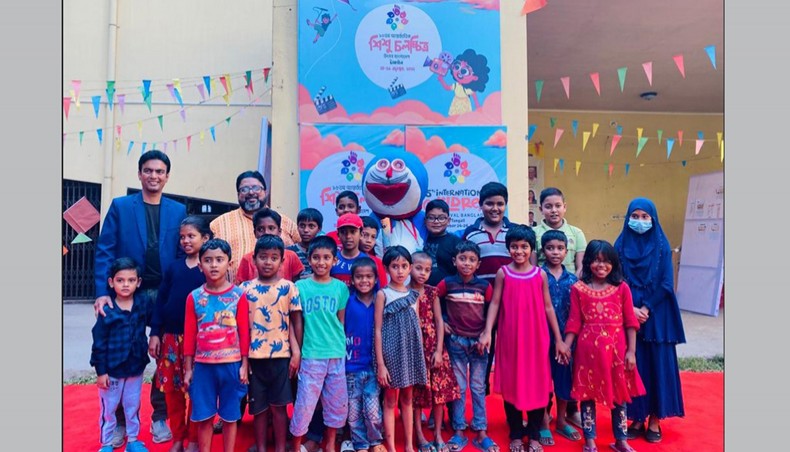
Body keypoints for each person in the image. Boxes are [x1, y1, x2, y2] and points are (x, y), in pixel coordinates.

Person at [94, 150, 185, 446]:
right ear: (139, 174)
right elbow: (105, 250)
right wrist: (101, 294)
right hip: (127, 292)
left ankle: (159, 416)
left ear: (167, 176)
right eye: (148, 170)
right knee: (123, 352)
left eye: (160, 171)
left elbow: (183, 253)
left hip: (166, 293)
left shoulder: (177, 209)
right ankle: (119, 421)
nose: (154, 176)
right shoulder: (121, 206)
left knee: (164, 354)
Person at [479, 226, 569, 452]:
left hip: (537, 338)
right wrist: (488, 330)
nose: (519, 251)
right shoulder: (503, 273)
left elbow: (548, 307)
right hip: (510, 338)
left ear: (532, 249)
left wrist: (558, 339)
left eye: (524, 247)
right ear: (508, 248)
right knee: (512, 383)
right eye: (514, 247)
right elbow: (496, 303)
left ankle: (535, 433)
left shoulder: (540, 275)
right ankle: (517, 433)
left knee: (538, 384)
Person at [562, 240, 645, 452]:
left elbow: (630, 322)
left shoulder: (622, 288)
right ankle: (590, 440)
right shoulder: (578, 288)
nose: (602, 266)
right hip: (586, 351)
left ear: (614, 264)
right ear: (588, 261)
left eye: (607, 261)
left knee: (619, 395)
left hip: (617, 352)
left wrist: (632, 351)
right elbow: (574, 321)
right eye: (597, 260)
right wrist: (565, 347)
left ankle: (621, 440)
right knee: (587, 395)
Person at [615, 198, 686, 444]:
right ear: (627, 218)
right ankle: (637, 417)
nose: (640, 221)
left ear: (653, 219)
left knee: (657, 366)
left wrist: (645, 308)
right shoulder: (620, 244)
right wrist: (631, 309)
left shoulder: (662, 246)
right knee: (636, 366)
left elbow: (666, 283)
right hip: (628, 312)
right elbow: (615, 278)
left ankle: (655, 418)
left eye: (646, 217)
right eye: (635, 216)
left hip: (658, 314)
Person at [148, 216, 213, 452]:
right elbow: (161, 301)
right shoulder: (174, 268)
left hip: (201, 342)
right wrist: (156, 333)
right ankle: (178, 437)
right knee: (173, 394)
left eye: (191, 236)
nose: (185, 241)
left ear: (205, 238)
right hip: (171, 340)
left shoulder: (209, 268)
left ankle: (195, 439)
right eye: (182, 237)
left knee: (198, 392)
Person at [183, 239, 251, 452]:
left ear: (229, 264)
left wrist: (244, 364)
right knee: (204, 417)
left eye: (219, 260)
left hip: (231, 365)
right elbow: (190, 335)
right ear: (200, 265)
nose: (214, 265)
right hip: (203, 366)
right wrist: (187, 368)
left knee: (230, 417)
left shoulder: (238, 295)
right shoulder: (194, 297)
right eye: (208, 260)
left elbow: (244, 331)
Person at [239, 235, 303, 452]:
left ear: (282, 261)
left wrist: (297, 353)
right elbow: (241, 327)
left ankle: (279, 448)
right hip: (255, 358)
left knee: (279, 407)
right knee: (258, 409)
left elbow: (295, 322)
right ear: (254, 260)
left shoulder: (289, 288)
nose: (268, 262)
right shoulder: (245, 289)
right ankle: (261, 446)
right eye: (263, 257)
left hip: (281, 357)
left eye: (274, 257)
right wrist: (243, 360)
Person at [290, 236, 350, 452]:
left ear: (334, 261)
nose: (321, 262)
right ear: (309, 259)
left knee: (336, 403)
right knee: (305, 404)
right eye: (316, 257)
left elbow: (340, 321)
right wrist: (296, 351)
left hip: (336, 353)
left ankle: (330, 445)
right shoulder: (300, 287)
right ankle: (296, 445)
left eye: (326, 258)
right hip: (311, 354)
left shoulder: (341, 289)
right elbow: (295, 322)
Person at [435, 241, 495, 452]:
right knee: (459, 388)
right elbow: (434, 301)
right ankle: (459, 430)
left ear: (478, 264)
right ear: (454, 261)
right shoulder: (446, 283)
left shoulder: (485, 287)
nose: (466, 264)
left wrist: (486, 334)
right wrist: (442, 321)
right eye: (462, 259)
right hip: (456, 342)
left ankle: (481, 431)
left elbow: (491, 310)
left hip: (479, 343)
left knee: (478, 388)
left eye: (471, 260)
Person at [91, 258, 151, 452]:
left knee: (132, 405)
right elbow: (98, 344)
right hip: (112, 370)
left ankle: (133, 440)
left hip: (135, 366)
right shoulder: (106, 311)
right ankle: (106, 443)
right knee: (109, 409)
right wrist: (101, 372)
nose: (126, 284)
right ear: (111, 282)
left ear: (138, 282)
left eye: (131, 280)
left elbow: (156, 320)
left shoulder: (142, 304)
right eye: (120, 280)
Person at [374, 246, 427, 452]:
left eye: (404, 266)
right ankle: (392, 447)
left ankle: (408, 445)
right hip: (390, 354)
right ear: (386, 268)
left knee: (407, 399)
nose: (400, 271)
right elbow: (377, 330)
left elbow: (416, 327)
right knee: (389, 400)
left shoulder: (414, 295)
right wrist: (381, 364)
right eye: (395, 266)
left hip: (410, 353)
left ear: (410, 268)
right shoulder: (383, 294)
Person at [462, 181, 513, 396]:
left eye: (500, 204)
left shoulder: (514, 233)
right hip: (480, 302)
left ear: (506, 205)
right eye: (489, 203)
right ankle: (482, 389)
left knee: (512, 348)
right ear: (480, 205)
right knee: (484, 346)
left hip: (511, 301)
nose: (495, 208)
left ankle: (511, 389)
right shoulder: (471, 234)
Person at [210, 170, 300, 284]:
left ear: (265, 192)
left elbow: (309, 245)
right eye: (244, 189)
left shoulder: (285, 222)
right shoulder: (218, 224)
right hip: (233, 297)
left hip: (282, 297)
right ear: (238, 194)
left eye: (256, 188)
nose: (251, 192)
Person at [410, 252, 460, 452]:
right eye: (418, 268)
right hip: (414, 350)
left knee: (439, 394)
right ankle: (420, 436)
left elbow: (439, 321)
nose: (423, 273)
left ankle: (438, 434)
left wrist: (439, 350)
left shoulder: (432, 292)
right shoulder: (404, 292)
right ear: (409, 267)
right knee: (416, 395)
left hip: (434, 348)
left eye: (427, 270)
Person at [538, 230, 581, 444]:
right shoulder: (536, 275)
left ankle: (562, 420)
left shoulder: (573, 280)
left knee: (564, 380)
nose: (555, 252)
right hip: (541, 339)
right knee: (543, 381)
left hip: (565, 341)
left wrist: (566, 342)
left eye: (560, 248)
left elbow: (576, 314)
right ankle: (544, 420)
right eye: (550, 248)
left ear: (567, 251)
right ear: (543, 250)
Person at [344, 258, 386, 452]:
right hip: (351, 366)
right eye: (359, 277)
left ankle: (375, 441)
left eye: (369, 276)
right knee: (353, 411)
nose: (364, 281)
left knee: (372, 410)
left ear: (376, 278)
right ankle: (360, 443)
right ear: (352, 280)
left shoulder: (382, 299)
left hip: (373, 366)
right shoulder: (347, 301)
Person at [235, 208, 305, 284]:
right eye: (261, 229)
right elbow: (242, 288)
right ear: (255, 233)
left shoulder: (291, 256)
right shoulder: (247, 259)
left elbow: (296, 285)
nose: (266, 232)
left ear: (279, 232)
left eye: (271, 228)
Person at [532, 187, 587, 278]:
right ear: (541, 209)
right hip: (541, 284)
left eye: (558, 206)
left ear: (564, 207)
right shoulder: (533, 233)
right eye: (548, 207)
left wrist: (571, 284)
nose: (554, 210)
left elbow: (581, 267)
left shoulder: (576, 233)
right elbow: (533, 267)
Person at [331, 213, 388, 288]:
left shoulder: (372, 262)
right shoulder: (330, 261)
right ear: (338, 235)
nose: (348, 236)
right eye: (344, 232)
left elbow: (381, 292)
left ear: (361, 234)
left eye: (353, 232)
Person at [422, 200, 461, 288]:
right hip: (421, 293)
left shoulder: (456, 243)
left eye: (441, 218)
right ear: (425, 221)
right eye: (431, 217)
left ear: (448, 220)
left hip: (448, 293)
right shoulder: (420, 240)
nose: (436, 222)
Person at [287, 207, 324, 281]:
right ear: (297, 227)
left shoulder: (324, 251)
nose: (306, 230)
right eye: (302, 226)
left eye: (311, 226)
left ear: (319, 229)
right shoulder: (289, 252)